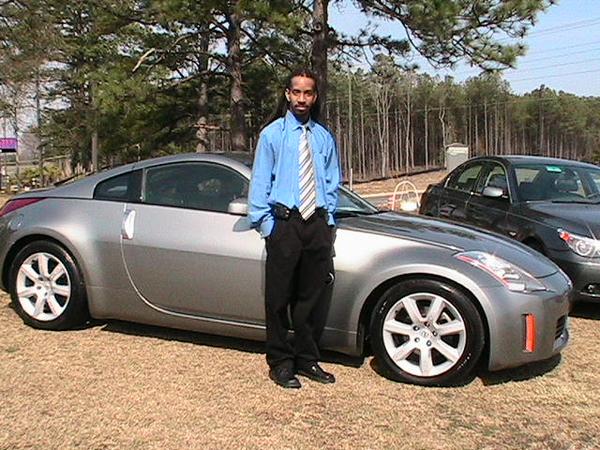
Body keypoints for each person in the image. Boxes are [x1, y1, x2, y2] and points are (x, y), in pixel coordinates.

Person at [248, 67, 341, 389]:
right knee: (278, 300)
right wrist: (267, 226)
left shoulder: (323, 137)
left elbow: (332, 181)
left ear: (315, 97)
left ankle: (306, 358)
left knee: (310, 299)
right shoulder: (272, 135)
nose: (302, 98)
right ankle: (280, 362)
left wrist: (328, 221)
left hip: (316, 224)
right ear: (288, 95)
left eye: (308, 93)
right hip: (284, 225)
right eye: (297, 92)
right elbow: (260, 182)